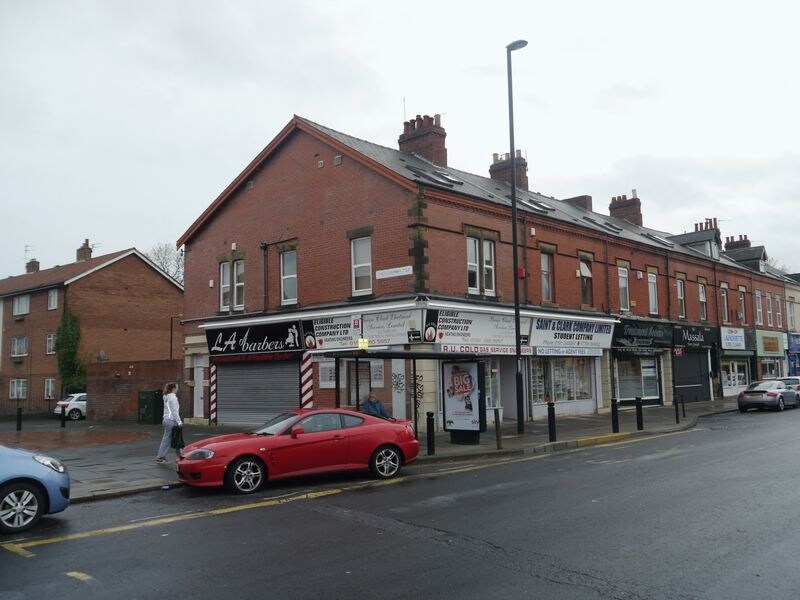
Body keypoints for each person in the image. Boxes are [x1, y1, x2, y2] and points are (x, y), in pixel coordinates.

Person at [156, 382, 182, 464]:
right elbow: (174, 411)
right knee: (171, 439)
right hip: (171, 420)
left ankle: (180, 455)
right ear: (173, 388)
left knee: (174, 438)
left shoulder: (166, 396)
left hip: (166, 420)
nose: (178, 389)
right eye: (177, 387)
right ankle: (160, 457)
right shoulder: (173, 397)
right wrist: (179, 421)